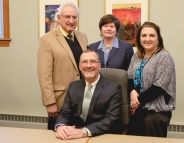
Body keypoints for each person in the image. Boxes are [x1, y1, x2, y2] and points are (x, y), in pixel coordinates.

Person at [37, 2, 88, 130]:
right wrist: (50, 102)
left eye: (74, 17)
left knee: (78, 133)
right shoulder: (47, 40)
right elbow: (44, 75)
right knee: (59, 135)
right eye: (67, 17)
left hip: (82, 97)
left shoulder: (82, 37)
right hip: (60, 99)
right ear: (59, 18)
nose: (71, 20)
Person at [55, 49, 122, 140]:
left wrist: (84, 131)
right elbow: (64, 113)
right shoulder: (73, 86)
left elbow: (111, 119)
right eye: (84, 62)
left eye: (93, 62)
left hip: (101, 135)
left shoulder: (113, 88)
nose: (88, 65)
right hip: (75, 135)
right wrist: (60, 126)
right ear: (79, 66)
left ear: (99, 66)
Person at [127, 22, 176, 137]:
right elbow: (129, 76)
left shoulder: (164, 57)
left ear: (158, 38)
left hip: (156, 110)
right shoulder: (137, 55)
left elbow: (159, 87)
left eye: (152, 35)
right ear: (139, 39)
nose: (147, 39)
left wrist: (136, 102)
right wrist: (132, 91)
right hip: (138, 105)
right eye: (144, 35)